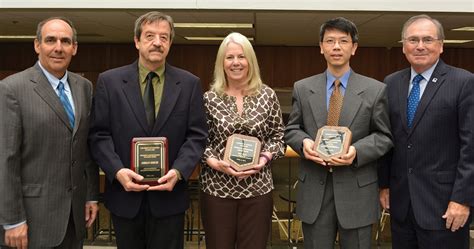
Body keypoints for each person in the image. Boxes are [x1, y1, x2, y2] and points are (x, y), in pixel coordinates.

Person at [88, 11, 208, 249]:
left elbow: (196, 136)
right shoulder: (109, 82)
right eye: (150, 36)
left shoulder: (189, 84)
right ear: (137, 41)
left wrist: (179, 171)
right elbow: (99, 135)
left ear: (170, 43)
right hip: (125, 196)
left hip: (169, 198)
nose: (157, 42)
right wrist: (117, 171)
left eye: (164, 37)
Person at [284, 17, 393, 249]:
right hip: (314, 189)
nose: (336, 47)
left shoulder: (375, 90)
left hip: (357, 190)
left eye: (343, 41)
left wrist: (356, 151)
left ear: (353, 48)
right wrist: (304, 143)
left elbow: (384, 136)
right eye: (330, 41)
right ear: (321, 47)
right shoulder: (303, 88)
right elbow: (292, 128)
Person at [0, 17, 99, 249]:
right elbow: (5, 160)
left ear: (74, 48)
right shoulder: (12, 89)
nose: (58, 47)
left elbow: (85, 148)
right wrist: (12, 220)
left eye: (65, 41)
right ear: (37, 45)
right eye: (50, 40)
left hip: (74, 220)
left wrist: (91, 195)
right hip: (31, 221)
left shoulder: (84, 87)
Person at [378, 14, 474, 249]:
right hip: (401, 205)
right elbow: (387, 138)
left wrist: (462, 200)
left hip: (445, 207)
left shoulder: (463, 82)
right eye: (413, 40)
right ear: (404, 47)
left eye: (427, 39)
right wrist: (384, 185)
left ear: (440, 45)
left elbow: (470, 147)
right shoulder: (390, 84)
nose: (420, 46)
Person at [200, 32, 285, 249]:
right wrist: (214, 162)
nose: (236, 62)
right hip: (217, 190)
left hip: (258, 190)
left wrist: (265, 158)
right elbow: (200, 141)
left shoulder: (267, 95)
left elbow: (278, 137)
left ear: (250, 61)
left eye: (241, 56)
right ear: (222, 63)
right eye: (229, 57)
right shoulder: (209, 98)